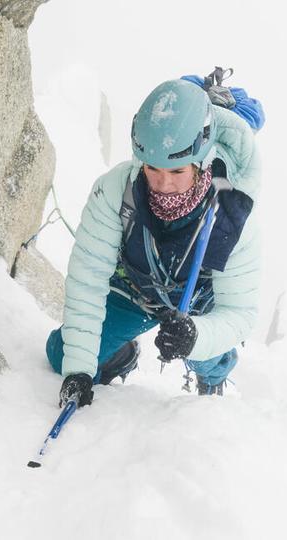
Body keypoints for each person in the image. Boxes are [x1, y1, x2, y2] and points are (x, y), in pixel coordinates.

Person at [46, 75, 262, 407]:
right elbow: (87, 281)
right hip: (136, 290)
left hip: (198, 306)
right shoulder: (116, 191)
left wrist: (196, 337)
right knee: (61, 355)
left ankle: (215, 372)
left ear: (202, 161)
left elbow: (238, 312)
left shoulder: (233, 214)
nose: (163, 184)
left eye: (177, 172)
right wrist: (79, 370)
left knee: (205, 354)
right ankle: (122, 353)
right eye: (152, 169)